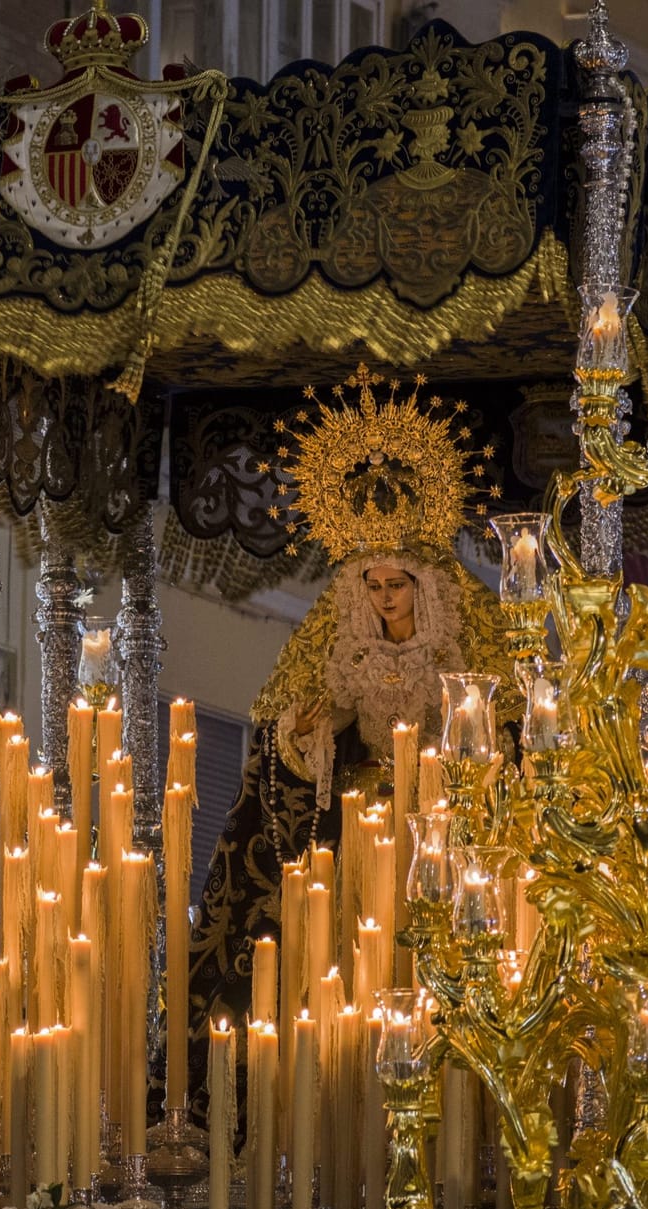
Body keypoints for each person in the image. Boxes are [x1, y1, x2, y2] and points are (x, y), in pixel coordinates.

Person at [183, 365, 510, 1114]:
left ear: (423, 584)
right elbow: (290, 728)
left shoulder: (470, 633)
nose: (385, 597)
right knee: (330, 958)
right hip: (357, 830)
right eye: (373, 583)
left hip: (442, 835)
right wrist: (308, 736)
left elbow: (511, 730)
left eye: (397, 583)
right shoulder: (338, 639)